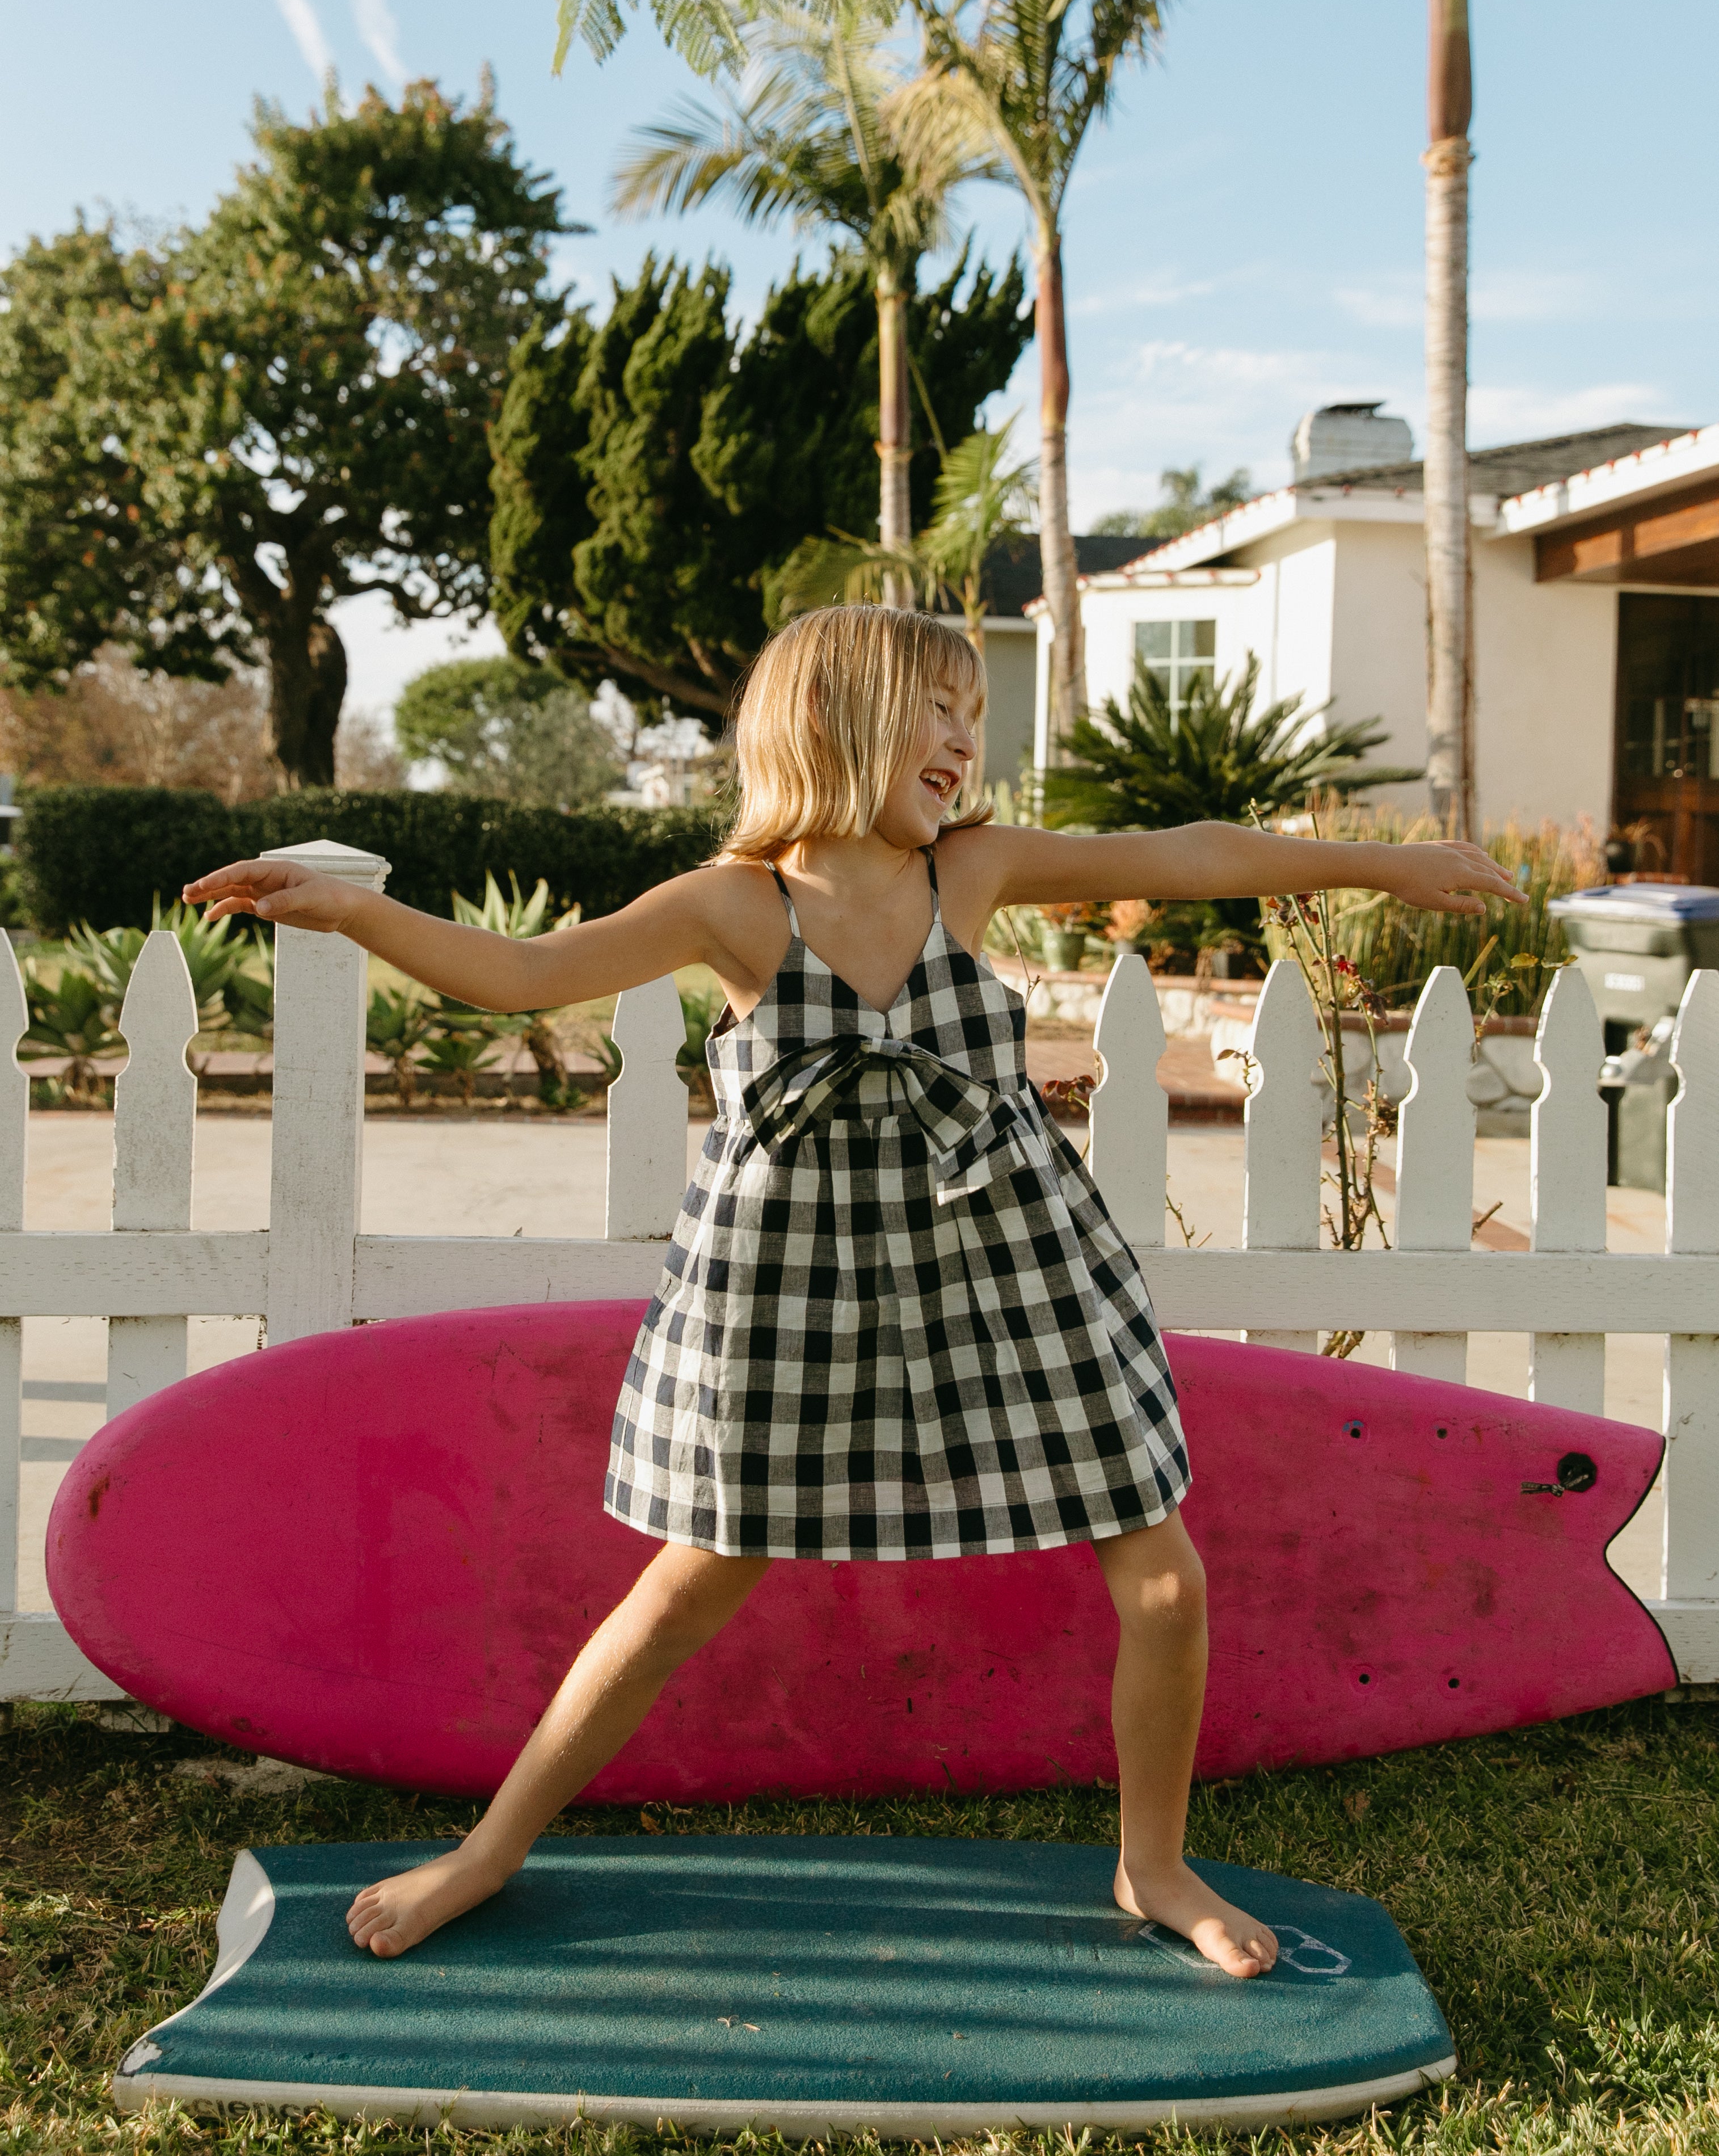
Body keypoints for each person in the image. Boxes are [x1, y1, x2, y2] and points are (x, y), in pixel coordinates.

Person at [184, 606, 1519, 1977]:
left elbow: (1185, 855)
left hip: (1010, 1268)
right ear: (831, 718)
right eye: (934, 707)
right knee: (688, 1585)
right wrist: (349, 906)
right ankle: (486, 1852)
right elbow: (526, 973)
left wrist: (1385, 858)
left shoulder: (973, 869)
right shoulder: (735, 901)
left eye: (971, 715)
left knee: (1165, 1575)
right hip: (796, 1295)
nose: (962, 738)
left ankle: (1154, 1862)